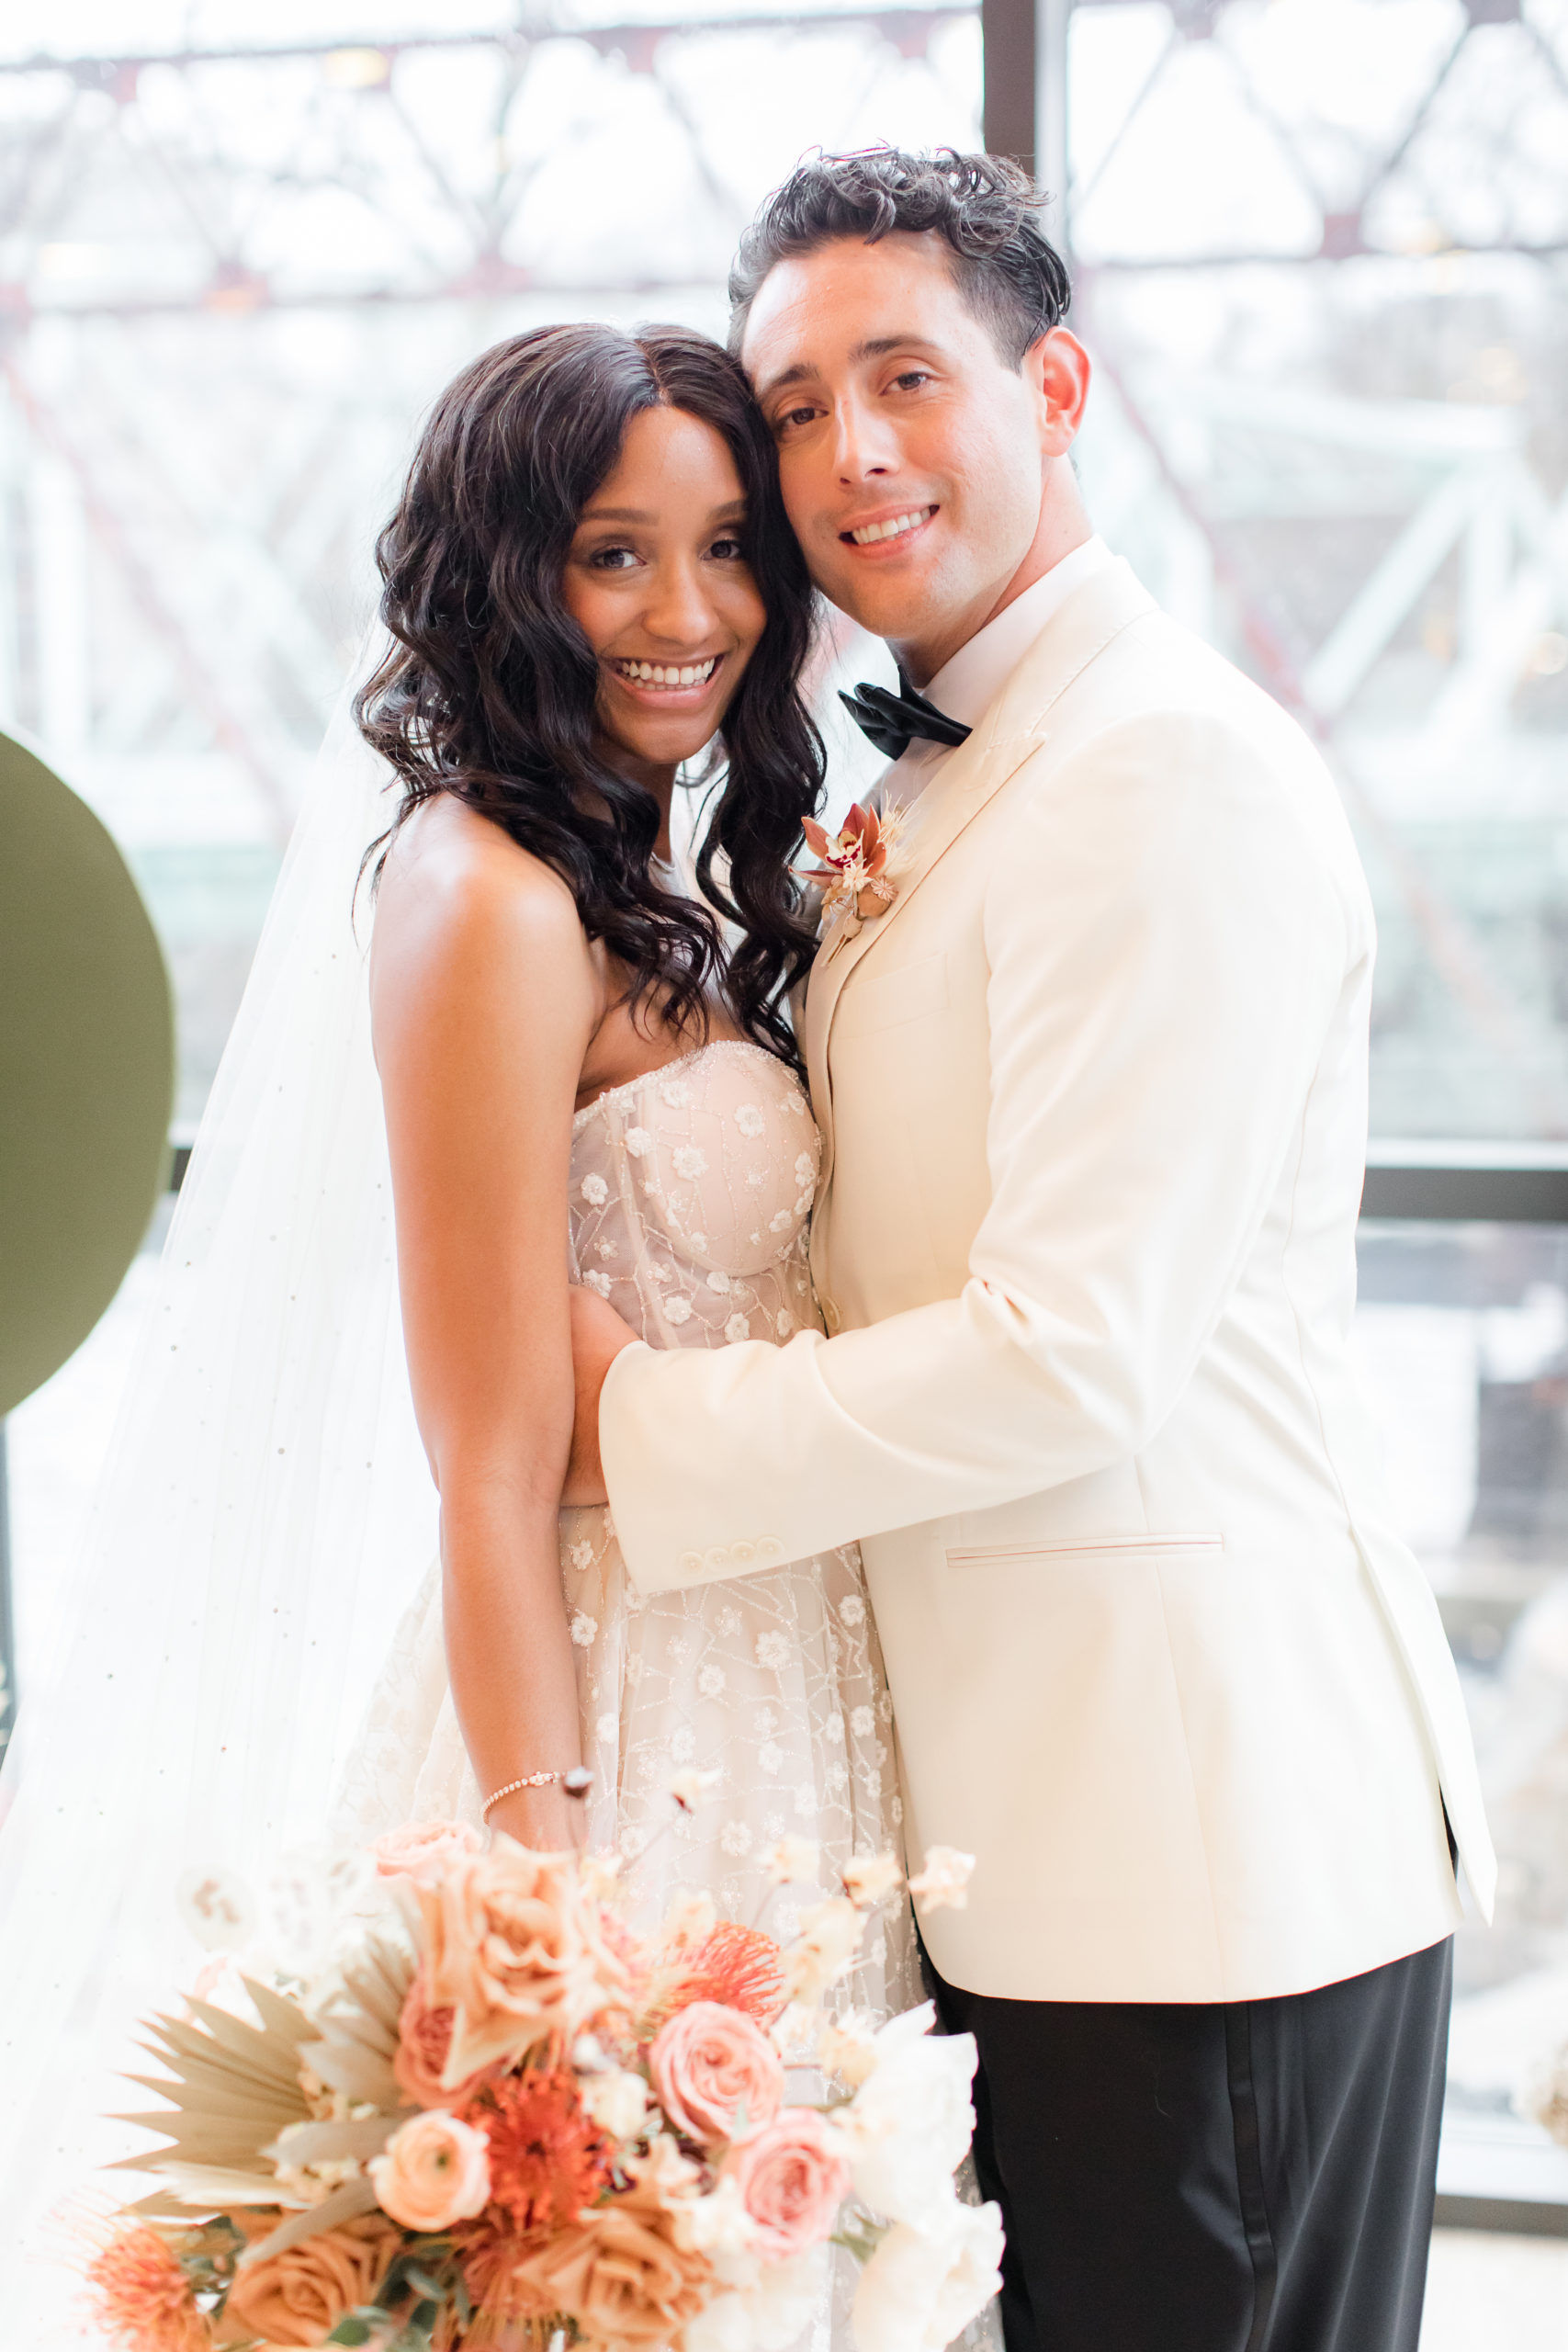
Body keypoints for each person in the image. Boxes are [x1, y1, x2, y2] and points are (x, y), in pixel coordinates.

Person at [564, 150, 1497, 2352]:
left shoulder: (1156, 770)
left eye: (906, 376)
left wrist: (635, 1425)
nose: (848, 453)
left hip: (1197, 1870)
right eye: (792, 404)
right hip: (1032, 1845)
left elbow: (1070, 1348)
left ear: (1053, 383)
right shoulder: (956, 764)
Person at [335, 318, 913, 2007]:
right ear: (509, 580)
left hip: (790, 1664)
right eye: (615, 557)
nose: (689, 614)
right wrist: (546, 1909)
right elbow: (490, 1467)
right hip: (623, 1696)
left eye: (729, 547)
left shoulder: (640, 867)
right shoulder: (493, 903)